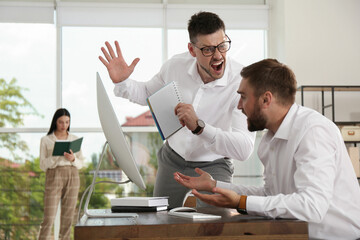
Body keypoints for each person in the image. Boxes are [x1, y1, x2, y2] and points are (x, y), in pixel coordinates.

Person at [174, 58, 360, 239]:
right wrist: (215, 186)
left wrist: (241, 202)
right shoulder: (269, 139)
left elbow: (311, 206)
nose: (239, 106)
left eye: (243, 97)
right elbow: (271, 195)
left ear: (266, 99)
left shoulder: (313, 131)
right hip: (297, 234)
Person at [99, 11, 255, 208]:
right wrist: (123, 81)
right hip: (172, 159)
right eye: (207, 49)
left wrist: (200, 127)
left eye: (222, 46)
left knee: (216, 228)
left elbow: (244, 149)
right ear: (192, 50)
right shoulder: (175, 66)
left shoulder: (240, 81)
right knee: (161, 222)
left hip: (214, 165)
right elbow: (146, 93)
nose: (218, 56)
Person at [38, 108, 85, 240]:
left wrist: (73, 159)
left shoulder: (74, 139)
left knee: (68, 218)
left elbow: (81, 163)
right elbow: (42, 165)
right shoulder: (46, 140)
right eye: (61, 122)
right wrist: (56, 156)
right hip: (54, 175)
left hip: (72, 176)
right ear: (55, 122)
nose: (64, 125)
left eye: (67, 122)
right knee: (48, 218)